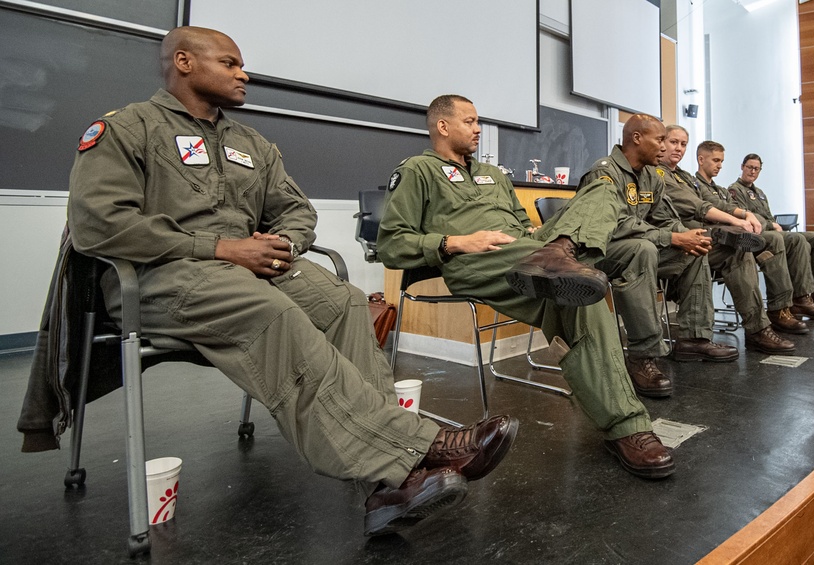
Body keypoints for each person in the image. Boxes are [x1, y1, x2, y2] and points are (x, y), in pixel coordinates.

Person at [20, 27, 520, 537]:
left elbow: (297, 211)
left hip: (248, 269)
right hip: (162, 277)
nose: (245, 73)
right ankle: (418, 448)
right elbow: (97, 223)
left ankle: (387, 485)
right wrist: (218, 248)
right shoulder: (127, 129)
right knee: (272, 312)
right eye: (231, 63)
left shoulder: (250, 143)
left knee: (344, 301)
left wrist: (281, 242)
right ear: (185, 62)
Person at [377, 94, 676, 479]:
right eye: (469, 121)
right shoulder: (419, 170)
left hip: (528, 252)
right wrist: (454, 242)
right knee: (580, 295)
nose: (478, 128)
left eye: (477, 121)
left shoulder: (494, 174)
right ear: (442, 126)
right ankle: (628, 426)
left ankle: (557, 254)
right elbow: (391, 244)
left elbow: (519, 224)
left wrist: (539, 236)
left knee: (602, 187)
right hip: (475, 259)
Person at [577, 114, 740, 376]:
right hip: (600, 252)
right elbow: (615, 225)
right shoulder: (605, 172)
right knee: (643, 249)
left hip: (640, 248)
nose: (665, 147)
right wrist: (671, 238)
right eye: (661, 140)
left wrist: (686, 234)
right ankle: (642, 356)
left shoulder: (650, 176)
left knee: (694, 250)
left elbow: (664, 217)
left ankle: (693, 339)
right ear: (637, 139)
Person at [655, 129, 797, 353]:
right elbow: (696, 206)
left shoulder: (685, 177)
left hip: (697, 239)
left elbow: (714, 202)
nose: (679, 148)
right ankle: (756, 328)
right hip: (675, 244)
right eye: (673, 142)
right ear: (661, 144)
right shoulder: (657, 175)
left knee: (739, 249)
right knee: (736, 244)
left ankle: (758, 328)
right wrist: (737, 219)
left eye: (683, 144)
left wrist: (743, 214)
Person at [728, 153, 814, 312]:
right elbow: (747, 218)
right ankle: (800, 297)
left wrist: (773, 223)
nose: (753, 171)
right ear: (742, 167)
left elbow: (769, 215)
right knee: (797, 239)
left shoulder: (760, 193)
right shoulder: (734, 190)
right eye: (750, 167)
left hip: (773, 230)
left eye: (757, 169)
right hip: (757, 236)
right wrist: (772, 224)